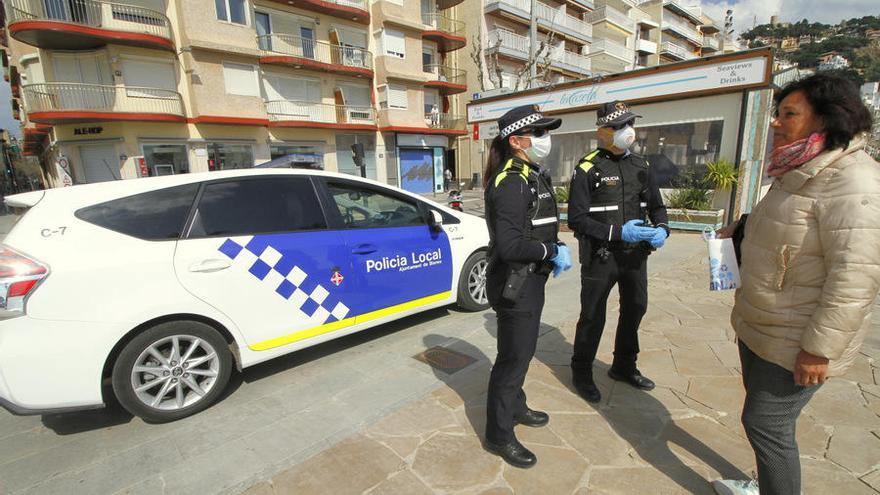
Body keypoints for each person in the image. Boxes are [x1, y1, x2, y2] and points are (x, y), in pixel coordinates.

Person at [711, 73, 880, 495]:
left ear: (825, 118)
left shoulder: (854, 181)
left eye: (789, 114)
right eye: (777, 113)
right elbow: (795, 226)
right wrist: (745, 228)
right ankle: (765, 483)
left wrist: (818, 349)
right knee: (764, 421)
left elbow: (855, 277)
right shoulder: (799, 165)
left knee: (766, 424)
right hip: (763, 326)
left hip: (796, 339)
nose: (776, 123)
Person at [483, 105, 572, 468]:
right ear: (516, 140)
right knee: (512, 359)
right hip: (515, 284)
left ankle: (516, 407)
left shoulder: (531, 174)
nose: (545, 139)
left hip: (533, 279)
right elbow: (510, 245)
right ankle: (498, 434)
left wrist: (555, 247)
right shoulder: (511, 181)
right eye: (539, 133)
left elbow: (539, 226)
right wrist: (551, 249)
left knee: (524, 351)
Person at [567, 100, 669, 403]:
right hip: (601, 256)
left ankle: (624, 366)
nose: (628, 131)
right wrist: (615, 232)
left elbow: (657, 206)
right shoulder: (588, 167)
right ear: (603, 132)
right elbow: (577, 219)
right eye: (620, 126)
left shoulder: (642, 166)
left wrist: (662, 228)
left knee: (635, 307)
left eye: (630, 124)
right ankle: (581, 371)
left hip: (635, 255)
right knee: (593, 315)